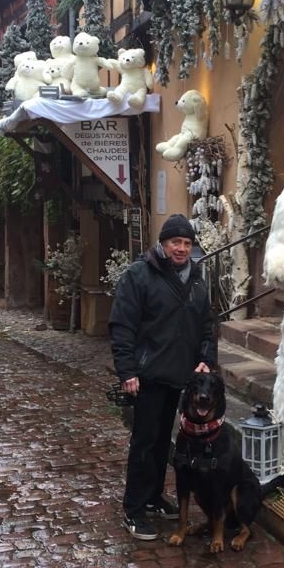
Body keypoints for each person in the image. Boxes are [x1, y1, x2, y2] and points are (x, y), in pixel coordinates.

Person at [109, 213, 217, 540]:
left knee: (161, 442)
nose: (181, 249)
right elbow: (122, 327)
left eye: (186, 243)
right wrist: (127, 371)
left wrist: (205, 360)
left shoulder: (196, 280)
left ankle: (154, 497)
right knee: (144, 442)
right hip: (148, 375)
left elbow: (207, 326)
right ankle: (134, 509)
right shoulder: (139, 276)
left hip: (180, 376)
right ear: (163, 243)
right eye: (175, 242)